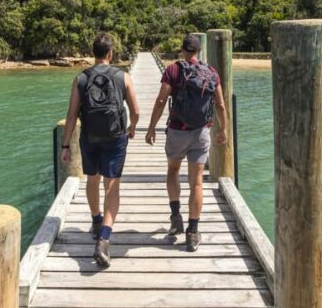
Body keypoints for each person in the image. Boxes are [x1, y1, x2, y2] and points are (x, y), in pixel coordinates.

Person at [61, 33, 140, 267]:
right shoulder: (123, 76)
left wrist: (65, 145)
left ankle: (96, 221)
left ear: (93, 53)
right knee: (112, 185)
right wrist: (132, 128)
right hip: (116, 137)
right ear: (110, 53)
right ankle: (104, 238)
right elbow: (135, 110)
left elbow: (72, 114)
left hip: (89, 137)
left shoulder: (81, 78)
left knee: (92, 180)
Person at [145, 34, 228, 252]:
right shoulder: (211, 72)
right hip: (201, 132)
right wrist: (224, 129)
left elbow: (162, 100)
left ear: (182, 50)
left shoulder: (173, 69)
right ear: (199, 51)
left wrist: (152, 127)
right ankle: (193, 232)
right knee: (197, 182)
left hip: (177, 130)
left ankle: (175, 216)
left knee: (173, 170)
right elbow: (219, 104)